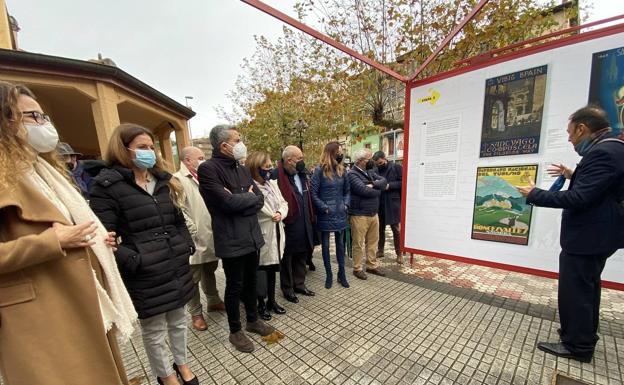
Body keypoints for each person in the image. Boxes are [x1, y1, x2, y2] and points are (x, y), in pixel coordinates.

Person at [0, 82, 137, 385]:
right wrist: (53, 241)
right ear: (6, 121)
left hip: (82, 300)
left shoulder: (41, 170)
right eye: (32, 117)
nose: (44, 124)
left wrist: (98, 242)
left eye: (43, 116)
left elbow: (72, 227)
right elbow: (55, 235)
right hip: (41, 317)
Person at [90, 123, 198, 385]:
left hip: (174, 264)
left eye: (151, 147)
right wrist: (135, 260)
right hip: (144, 272)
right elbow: (103, 237)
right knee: (154, 329)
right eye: (141, 147)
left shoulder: (162, 181)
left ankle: (182, 364)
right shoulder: (107, 186)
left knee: (179, 320)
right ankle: (166, 375)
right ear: (123, 149)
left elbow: (178, 220)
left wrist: (184, 246)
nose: (149, 152)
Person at [517, 105, 624, 363]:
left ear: (582, 128)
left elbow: (580, 197)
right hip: (598, 235)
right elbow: (601, 189)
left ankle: (578, 346)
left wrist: (535, 195)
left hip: (588, 237)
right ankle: (580, 332)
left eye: (570, 133)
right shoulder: (614, 148)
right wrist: (573, 174)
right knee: (586, 287)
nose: (569, 138)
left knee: (576, 290)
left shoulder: (604, 152)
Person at [198, 124, 276, 353]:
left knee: (251, 281)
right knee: (234, 286)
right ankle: (235, 331)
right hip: (231, 240)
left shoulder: (242, 169)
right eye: (238, 139)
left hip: (252, 237)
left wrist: (242, 199)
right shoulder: (209, 170)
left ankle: (252, 320)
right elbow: (226, 203)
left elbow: (259, 199)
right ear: (224, 145)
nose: (242, 144)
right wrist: (246, 199)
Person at [174, 146, 226, 332]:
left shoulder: (204, 177)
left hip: (211, 235)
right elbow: (177, 210)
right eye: (201, 157)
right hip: (194, 239)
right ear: (188, 160)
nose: (204, 160)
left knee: (209, 270)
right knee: (192, 277)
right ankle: (196, 313)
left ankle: (214, 300)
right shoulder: (177, 180)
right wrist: (192, 230)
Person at [246, 151, 289, 319]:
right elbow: (254, 208)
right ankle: (261, 304)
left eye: (270, 166)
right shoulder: (250, 187)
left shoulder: (272, 184)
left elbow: (284, 202)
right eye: (267, 166)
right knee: (261, 272)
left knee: (273, 269)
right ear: (256, 169)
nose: (270, 169)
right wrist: (272, 214)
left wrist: (280, 212)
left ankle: (272, 301)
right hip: (262, 233)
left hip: (277, 231)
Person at [275, 145, 316, 302]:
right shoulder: (276, 175)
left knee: (302, 254)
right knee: (287, 258)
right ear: (289, 160)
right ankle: (287, 288)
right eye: (299, 158)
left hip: (305, 222)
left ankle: (300, 284)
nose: (302, 161)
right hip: (288, 223)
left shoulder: (302, 174)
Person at [311, 141, 350, 289]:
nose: (341, 154)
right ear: (331, 153)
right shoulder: (319, 171)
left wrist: (346, 204)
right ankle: (329, 275)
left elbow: (347, 191)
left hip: (340, 213)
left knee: (340, 245)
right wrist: (324, 208)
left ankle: (342, 274)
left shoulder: (342, 170)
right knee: (326, 245)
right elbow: (314, 194)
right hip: (326, 214)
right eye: (339, 151)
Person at [348, 148, 388, 280]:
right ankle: (357, 268)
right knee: (358, 243)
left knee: (372, 242)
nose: (371, 161)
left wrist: (373, 185)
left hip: (373, 213)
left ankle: (371, 266)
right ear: (360, 161)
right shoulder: (352, 174)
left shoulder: (369, 171)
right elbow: (363, 190)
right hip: (359, 214)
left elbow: (383, 182)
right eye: (368, 159)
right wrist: (378, 189)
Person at [372, 151, 404, 264]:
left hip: (392, 203)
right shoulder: (375, 170)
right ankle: (380, 250)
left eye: (380, 162)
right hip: (379, 203)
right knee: (380, 229)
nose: (379, 165)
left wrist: (389, 186)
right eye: (377, 164)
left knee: (396, 229)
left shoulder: (396, 167)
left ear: (385, 158)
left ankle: (399, 253)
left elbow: (403, 183)